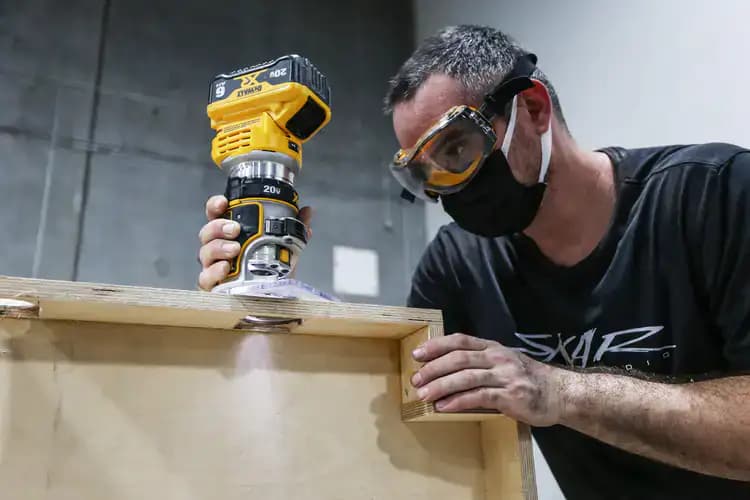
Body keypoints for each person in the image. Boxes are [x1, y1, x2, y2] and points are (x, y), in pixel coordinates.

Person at [198, 25, 750, 499]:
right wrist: (265, 297)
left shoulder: (716, 196)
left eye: (456, 150)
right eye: (424, 173)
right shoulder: (459, 265)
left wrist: (557, 391)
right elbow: (404, 408)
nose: (446, 189)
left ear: (532, 108)